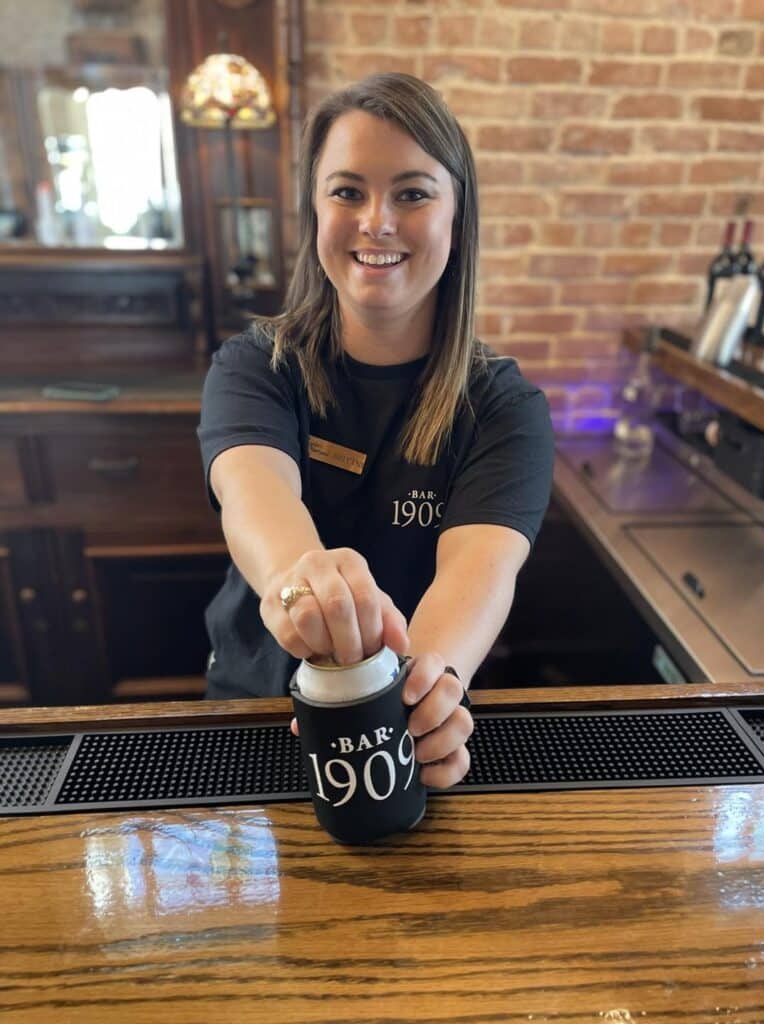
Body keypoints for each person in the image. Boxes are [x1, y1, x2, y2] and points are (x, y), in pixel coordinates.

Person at [198, 72, 554, 789]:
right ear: (315, 210)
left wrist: (414, 704)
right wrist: (306, 583)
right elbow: (255, 496)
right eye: (347, 191)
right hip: (255, 714)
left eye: (413, 193)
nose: (377, 221)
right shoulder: (254, 366)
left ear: (457, 216)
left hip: (409, 723)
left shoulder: (505, 407)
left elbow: (479, 575)